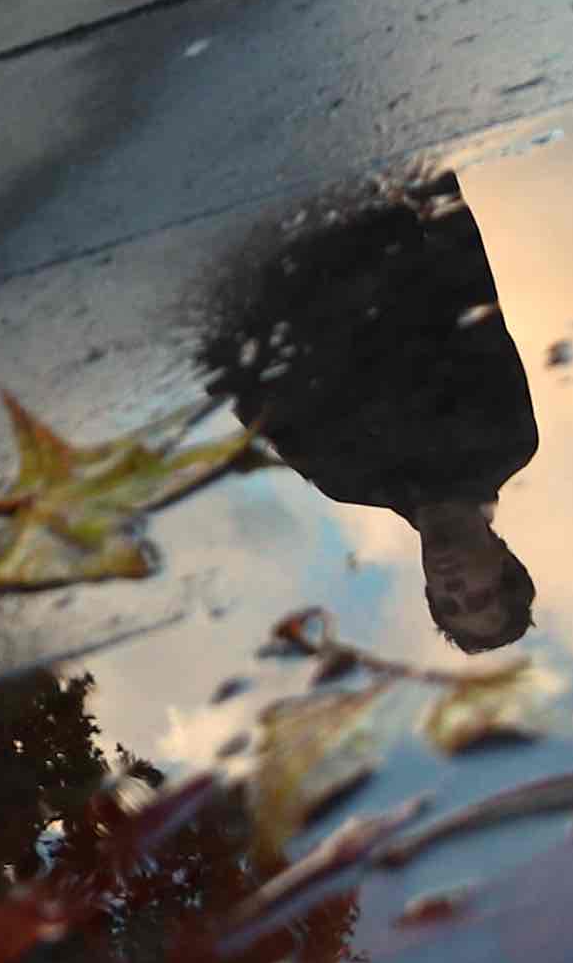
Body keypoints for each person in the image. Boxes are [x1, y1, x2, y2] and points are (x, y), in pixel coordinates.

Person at [203, 173, 542, 652]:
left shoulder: (345, 482)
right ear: (504, 560)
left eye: (447, 603)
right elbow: (475, 302)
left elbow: (244, 392)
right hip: (356, 199)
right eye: (477, 595)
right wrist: (436, 189)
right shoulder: (504, 439)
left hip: (246, 239)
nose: (455, 588)